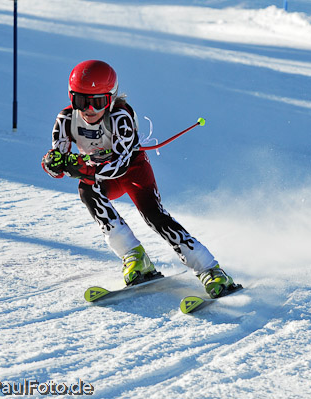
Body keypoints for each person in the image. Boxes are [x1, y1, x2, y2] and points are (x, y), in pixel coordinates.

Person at [41, 60, 239, 298]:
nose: (89, 109)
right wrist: (53, 163)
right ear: (71, 98)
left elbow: (119, 164)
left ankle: (211, 270)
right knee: (86, 190)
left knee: (155, 217)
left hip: (133, 172)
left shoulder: (120, 117)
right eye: (81, 101)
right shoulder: (66, 120)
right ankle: (134, 256)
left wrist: (83, 168)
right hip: (103, 177)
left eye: (98, 102)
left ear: (111, 98)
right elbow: (59, 164)